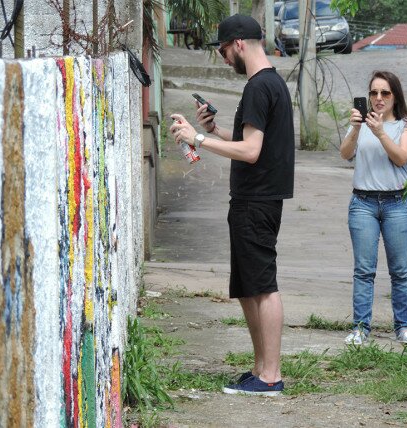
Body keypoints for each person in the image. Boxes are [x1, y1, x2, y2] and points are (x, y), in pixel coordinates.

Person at [169, 14, 295, 396]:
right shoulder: (268, 84)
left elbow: (251, 151)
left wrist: (198, 140)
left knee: (263, 286)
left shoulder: (260, 87)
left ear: (239, 43)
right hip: (253, 199)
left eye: (223, 50)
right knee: (247, 286)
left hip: (257, 200)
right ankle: (260, 370)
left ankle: (270, 376)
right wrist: (212, 132)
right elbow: (248, 142)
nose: (223, 58)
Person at [340, 70, 407, 346]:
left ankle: (404, 327)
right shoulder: (360, 124)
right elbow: (345, 153)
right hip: (363, 202)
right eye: (373, 92)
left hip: (396, 203)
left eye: (385, 93)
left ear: (395, 96)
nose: (378, 98)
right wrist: (358, 128)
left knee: (400, 270)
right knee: (363, 269)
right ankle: (360, 328)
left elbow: (400, 157)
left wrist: (380, 132)